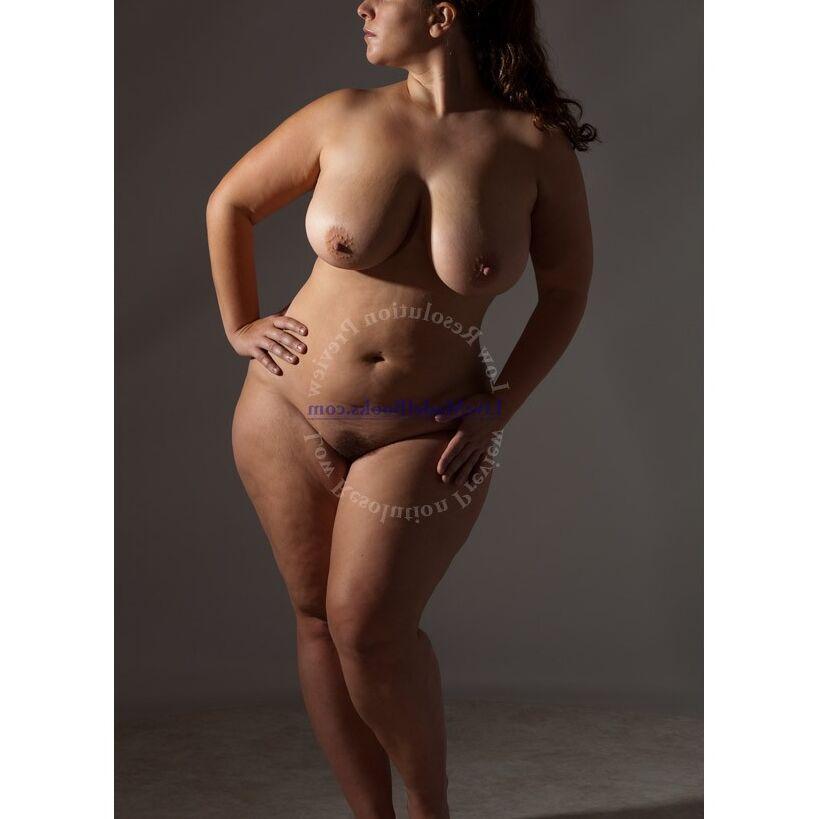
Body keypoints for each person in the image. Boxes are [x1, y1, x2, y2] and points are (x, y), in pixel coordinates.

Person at [206, 1, 596, 816]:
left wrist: (497, 407)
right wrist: (240, 323)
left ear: (443, 13)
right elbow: (230, 203)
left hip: (427, 428)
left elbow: (564, 292)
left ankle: (427, 808)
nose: (364, 6)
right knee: (316, 620)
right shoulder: (341, 117)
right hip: (285, 411)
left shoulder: (531, 148)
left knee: (368, 627)